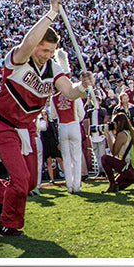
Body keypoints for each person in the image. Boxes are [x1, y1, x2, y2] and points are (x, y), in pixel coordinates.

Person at [0, 0, 94, 237]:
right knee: (22, 180)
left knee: (31, 183)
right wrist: (52, 13)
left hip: (27, 127)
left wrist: (83, 86)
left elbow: (69, 92)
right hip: (3, 124)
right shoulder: (19, 59)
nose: (47, 56)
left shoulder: (53, 68)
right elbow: (27, 43)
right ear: (36, 47)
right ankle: (8, 225)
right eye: (44, 50)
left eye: (51, 52)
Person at [51, 49, 86, 193]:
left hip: (62, 126)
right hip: (73, 124)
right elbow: (81, 114)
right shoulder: (74, 95)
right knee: (76, 156)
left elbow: (53, 115)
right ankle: (77, 184)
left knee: (66, 157)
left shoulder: (54, 98)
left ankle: (69, 184)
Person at [101, 112, 134, 192]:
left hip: (130, 168)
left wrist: (108, 136)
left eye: (114, 123)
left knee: (104, 158)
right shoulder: (131, 132)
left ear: (118, 123)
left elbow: (114, 152)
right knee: (119, 186)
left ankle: (112, 184)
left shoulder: (122, 134)